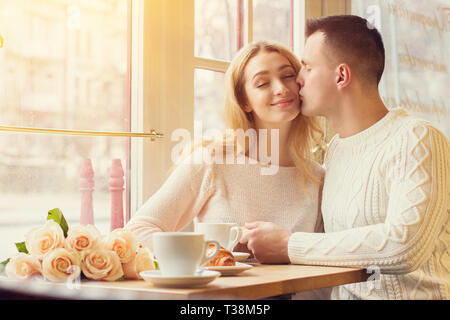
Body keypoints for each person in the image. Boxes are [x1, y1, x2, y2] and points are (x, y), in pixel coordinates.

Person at [239, 15, 449, 300]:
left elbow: (404, 246)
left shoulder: (417, 139)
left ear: (341, 76)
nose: (297, 80)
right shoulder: (335, 151)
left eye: (308, 68)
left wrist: (289, 245)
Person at [125, 41, 326, 284]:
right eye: (262, 83)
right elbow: (138, 229)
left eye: (288, 76)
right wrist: (207, 257)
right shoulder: (211, 161)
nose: (281, 88)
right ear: (244, 101)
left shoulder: (317, 177)